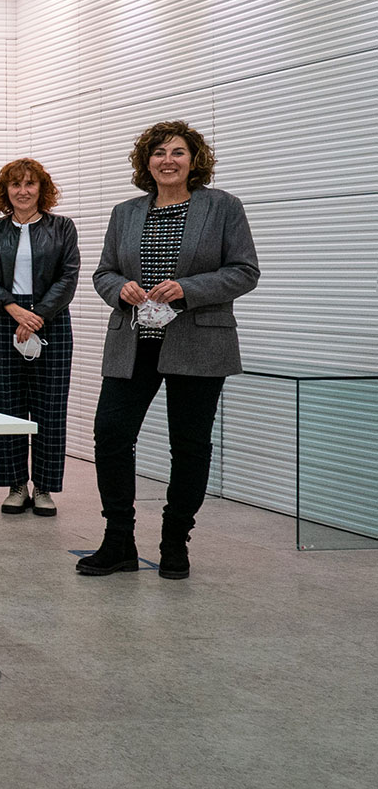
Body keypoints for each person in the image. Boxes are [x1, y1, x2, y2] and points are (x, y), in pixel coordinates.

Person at [78, 121, 258, 580]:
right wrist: (122, 289)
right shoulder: (126, 212)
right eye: (159, 153)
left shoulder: (223, 208)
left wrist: (187, 288)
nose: (168, 160)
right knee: (111, 435)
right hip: (133, 342)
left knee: (190, 445)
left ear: (194, 159)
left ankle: (176, 539)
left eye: (178, 152)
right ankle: (118, 539)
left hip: (199, 342)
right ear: (147, 162)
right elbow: (103, 273)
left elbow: (244, 271)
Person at [0, 158, 79, 517]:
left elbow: (68, 277)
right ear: (6, 191)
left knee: (50, 408)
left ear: (42, 189)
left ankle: (45, 487)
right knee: (8, 406)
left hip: (50, 319)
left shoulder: (62, 227)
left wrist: (37, 316)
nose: (22, 191)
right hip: (5, 319)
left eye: (30, 184)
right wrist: (13, 309)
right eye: (15, 185)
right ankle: (16, 485)